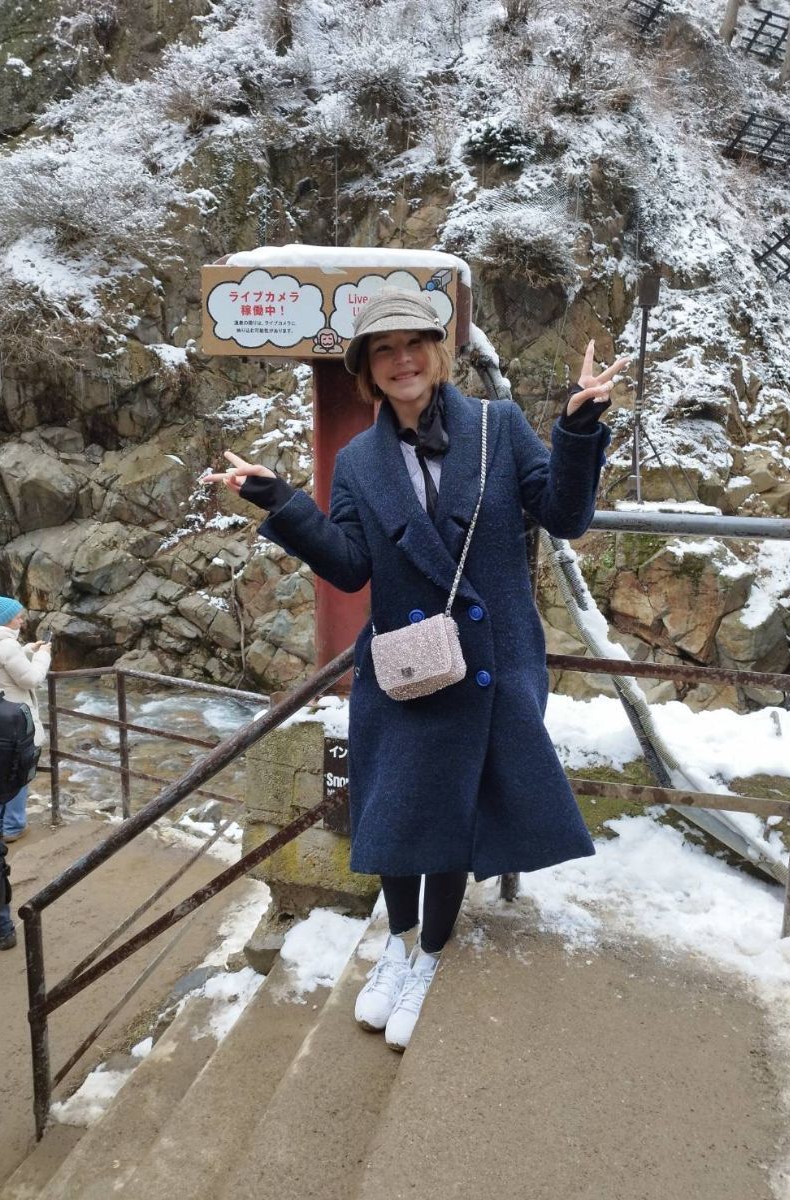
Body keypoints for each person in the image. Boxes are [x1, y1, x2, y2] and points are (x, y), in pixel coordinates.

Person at [205, 288, 625, 1049]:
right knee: (394, 809)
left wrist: (577, 428)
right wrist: (282, 502)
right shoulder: (359, 461)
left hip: (489, 658)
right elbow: (349, 564)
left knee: (452, 811)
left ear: (437, 353)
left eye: (414, 344)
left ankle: (429, 956)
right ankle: (398, 950)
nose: (402, 360)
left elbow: (565, 516)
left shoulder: (498, 427)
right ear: (367, 369)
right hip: (404, 664)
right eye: (383, 350)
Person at [0, 593, 51, 951]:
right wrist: (42, 655)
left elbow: (0, 668)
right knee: (17, 775)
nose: (23, 620)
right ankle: (11, 827)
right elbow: (31, 680)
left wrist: (25, 650)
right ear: (5, 619)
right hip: (14, 729)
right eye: (19, 616)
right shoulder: (6, 646)